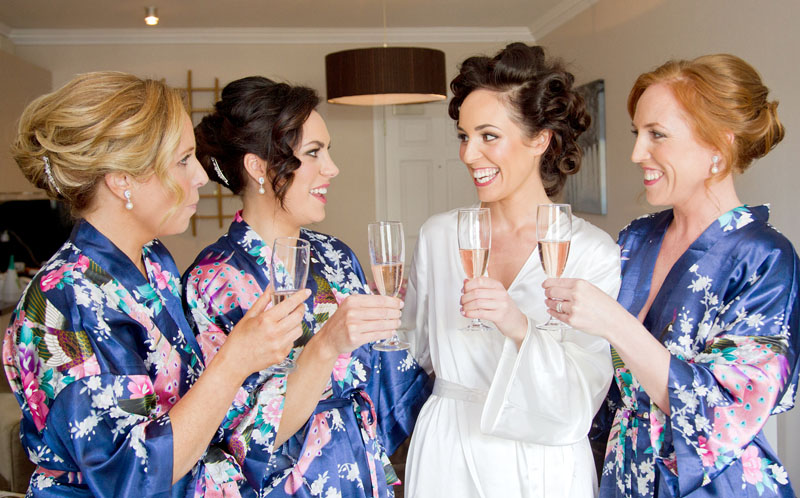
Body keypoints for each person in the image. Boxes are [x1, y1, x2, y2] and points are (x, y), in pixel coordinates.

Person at [2, 72, 309, 497]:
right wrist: (234, 360)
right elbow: (130, 476)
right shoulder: (66, 301)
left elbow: (190, 404)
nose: (200, 175)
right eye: (183, 160)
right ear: (122, 179)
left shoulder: (153, 261)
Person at [543, 54, 798, 497]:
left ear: (719, 146)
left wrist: (614, 322)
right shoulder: (637, 238)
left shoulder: (765, 259)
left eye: (657, 134)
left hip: (714, 486)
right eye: (637, 133)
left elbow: (724, 412)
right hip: (624, 475)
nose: (636, 153)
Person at [183, 76, 430, 497]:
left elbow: (389, 385)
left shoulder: (335, 255)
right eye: (314, 152)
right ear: (258, 167)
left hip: (358, 473)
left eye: (327, 151)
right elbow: (241, 438)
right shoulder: (213, 282)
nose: (332, 168)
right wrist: (327, 344)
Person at [399, 43, 622, 497]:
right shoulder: (439, 237)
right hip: (448, 452)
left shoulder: (592, 252)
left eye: (488, 136)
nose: (468, 154)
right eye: (464, 136)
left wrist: (517, 325)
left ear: (540, 140)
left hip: (544, 464)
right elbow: (414, 350)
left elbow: (584, 391)